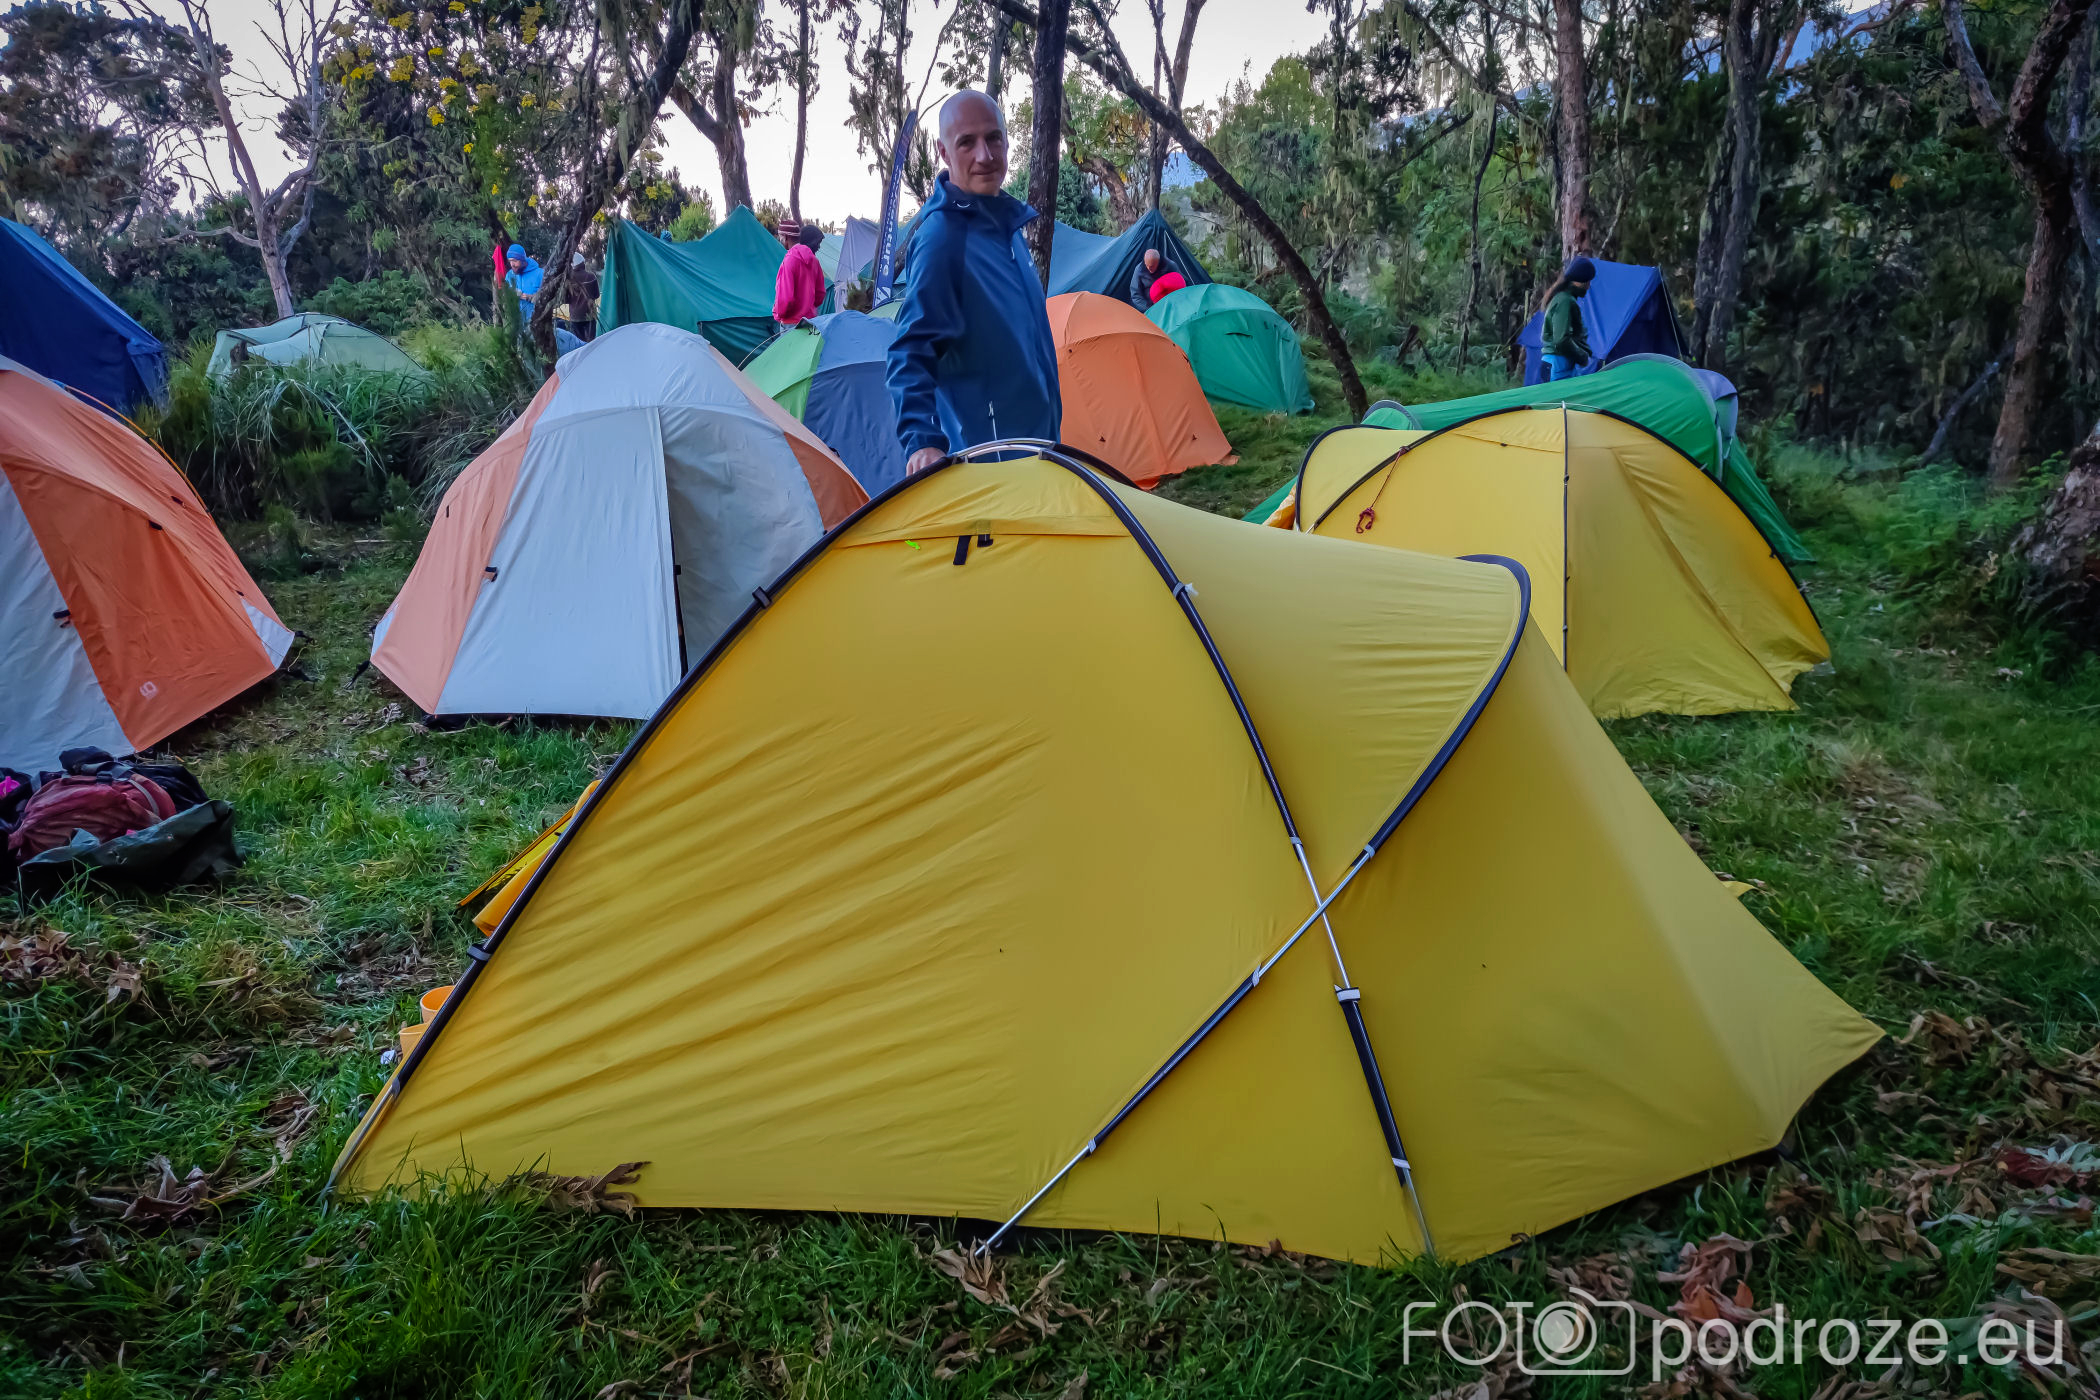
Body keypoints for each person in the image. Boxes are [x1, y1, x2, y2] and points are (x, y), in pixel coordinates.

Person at [887, 90, 1060, 476]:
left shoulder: (1008, 226)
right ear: (944, 153)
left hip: (1038, 451)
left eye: (993, 138)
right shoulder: (944, 239)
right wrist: (923, 441)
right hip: (992, 464)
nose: (985, 155)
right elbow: (909, 350)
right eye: (967, 142)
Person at [1540, 256, 1595, 382]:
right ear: (1579, 281)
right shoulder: (1565, 301)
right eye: (1587, 281)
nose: (1588, 286)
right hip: (1559, 364)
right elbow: (1561, 340)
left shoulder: (1563, 298)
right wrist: (1582, 356)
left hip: (1556, 363)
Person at [774, 223, 826, 329]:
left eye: (780, 237)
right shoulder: (814, 261)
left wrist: (778, 314)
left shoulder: (789, 260)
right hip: (810, 321)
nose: (780, 241)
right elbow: (820, 294)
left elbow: (785, 299)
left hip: (791, 323)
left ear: (786, 237)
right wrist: (807, 306)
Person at [557, 251, 600, 343]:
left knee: (578, 342)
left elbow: (564, 300)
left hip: (575, 316)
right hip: (590, 315)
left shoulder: (568, 280)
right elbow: (596, 295)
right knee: (591, 342)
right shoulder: (591, 277)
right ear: (582, 263)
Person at [502, 244, 544, 319]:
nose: (512, 264)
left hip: (536, 322)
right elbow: (504, 296)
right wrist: (513, 295)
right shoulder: (509, 275)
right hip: (515, 323)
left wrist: (532, 297)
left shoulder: (540, 274)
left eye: (515, 261)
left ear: (523, 260)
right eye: (510, 261)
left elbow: (550, 298)